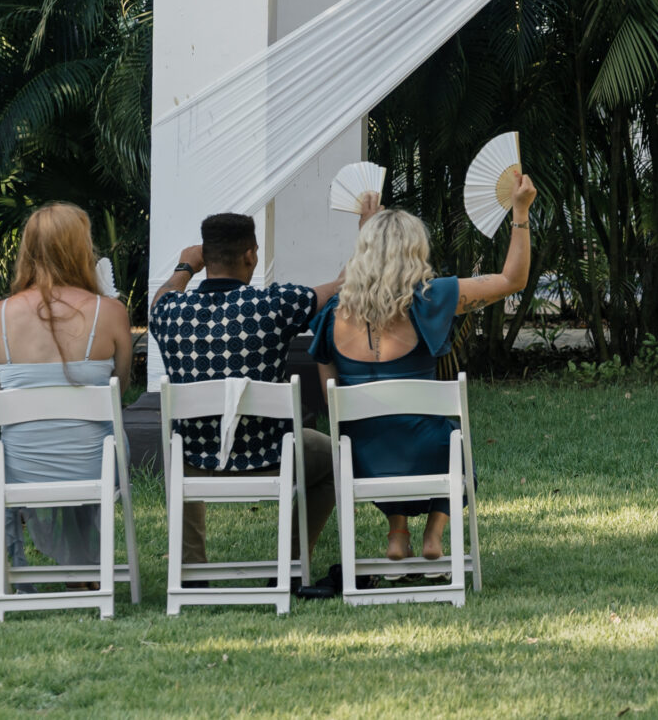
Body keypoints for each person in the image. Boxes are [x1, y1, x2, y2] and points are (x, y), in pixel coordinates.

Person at [148, 194, 376, 597]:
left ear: (205, 256)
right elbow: (345, 285)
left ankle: (192, 571)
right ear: (250, 256)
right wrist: (367, 231)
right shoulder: (274, 306)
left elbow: (160, 298)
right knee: (334, 457)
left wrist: (185, 266)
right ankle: (290, 564)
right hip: (271, 458)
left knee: (178, 446)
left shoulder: (170, 313)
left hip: (196, 463)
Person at [310, 174, 536, 576]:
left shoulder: (331, 316)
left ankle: (397, 533)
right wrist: (520, 212)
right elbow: (511, 280)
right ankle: (434, 533)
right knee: (451, 442)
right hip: (430, 455)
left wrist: (370, 236)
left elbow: (331, 401)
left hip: (364, 460)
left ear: (362, 252)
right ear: (416, 251)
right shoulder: (433, 298)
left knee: (379, 431)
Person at [0, 202, 133, 572]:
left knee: (61, 435)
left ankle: (76, 567)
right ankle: (84, 569)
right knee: (95, 434)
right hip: (94, 464)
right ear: (82, 249)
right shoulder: (111, 312)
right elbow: (120, 389)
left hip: (20, 466)